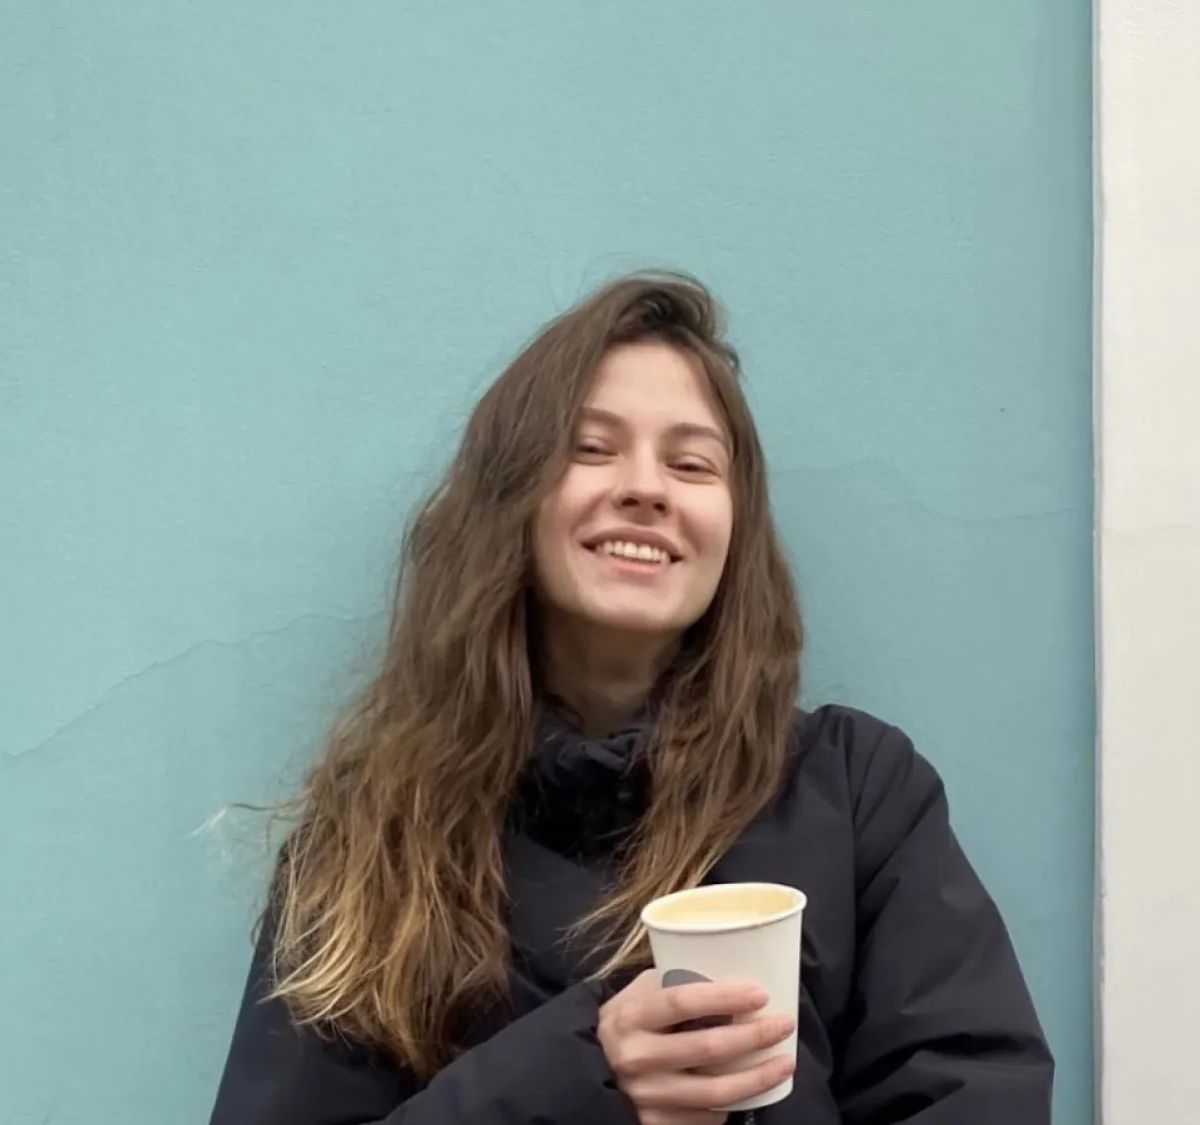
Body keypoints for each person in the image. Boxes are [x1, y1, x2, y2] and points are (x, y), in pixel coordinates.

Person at [208, 273, 1054, 1125]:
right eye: (591, 448)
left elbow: (976, 1091)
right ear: (510, 502)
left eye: (691, 464)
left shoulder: (858, 792)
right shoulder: (372, 835)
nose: (647, 488)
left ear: (734, 531)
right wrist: (584, 1070)